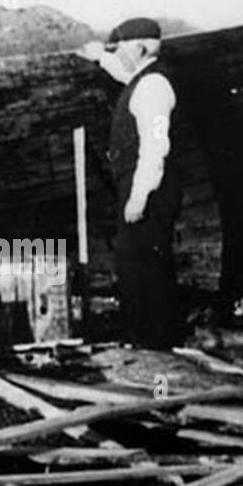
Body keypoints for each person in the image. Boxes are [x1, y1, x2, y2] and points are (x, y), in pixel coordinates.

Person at [79, 18, 184, 349]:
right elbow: (127, 76)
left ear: (140, 48)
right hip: (143, 184)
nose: (120, 55)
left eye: (122, 49)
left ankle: (155, 340)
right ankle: (146, 336)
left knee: (145, 261)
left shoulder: (154, 87)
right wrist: (102, 57)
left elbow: (156, 147)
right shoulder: (144, 80)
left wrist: (139, 197)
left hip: (150, 188)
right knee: (135, 258)